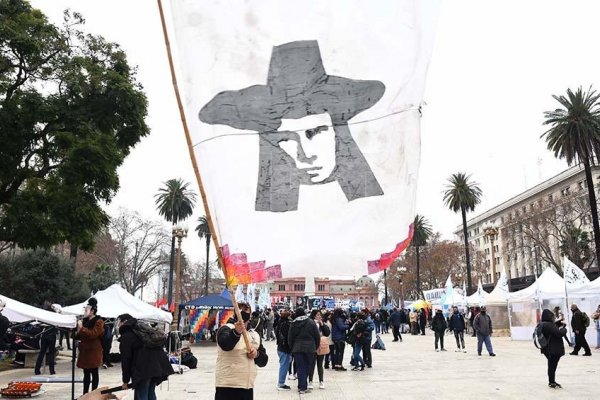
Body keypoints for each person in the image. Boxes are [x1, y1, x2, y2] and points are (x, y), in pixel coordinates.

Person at [199, 40, 385, 213]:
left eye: (313, 132)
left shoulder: (375, 210)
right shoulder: (259, 214)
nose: (304, 156)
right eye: (285, 139)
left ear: (337, 130)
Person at [215, 302, 268, 400]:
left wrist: (256, 354)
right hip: (227, 386)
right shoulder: (226, 329)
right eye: (240, 310)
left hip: (247, 386)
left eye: (246, 310)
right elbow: (225, 345)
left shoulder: (254, 335)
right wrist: (236, 332)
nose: (243, 313)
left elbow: (264, 361)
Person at [116, 314, 174, 399]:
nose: (118, 325)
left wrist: (125, 380)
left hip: (143, 369)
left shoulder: (127, 336)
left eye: (119, 322)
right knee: (150, 392)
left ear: (124, 322)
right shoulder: (142, 329)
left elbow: (126, 360)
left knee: (142, 393)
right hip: (157, 366)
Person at [75, 298, 105, 395]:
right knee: (86, 374)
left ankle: (94, 393)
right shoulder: (84, 321)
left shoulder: (99, 321)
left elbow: (93, 334)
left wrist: (82, 328)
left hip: (94, 351)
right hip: (84, 351)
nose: (85, 311)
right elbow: (77, 336)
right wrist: (78, 330)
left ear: (92, 311)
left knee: (94, 373)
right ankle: (85, 394)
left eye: (86, 310)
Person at [288, 308, 320, 394]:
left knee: (300, 367)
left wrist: (292, 348)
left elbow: (290, 338)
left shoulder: (293, 323)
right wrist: (316, 346)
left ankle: (301, 386)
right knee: (307, 366)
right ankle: (303, 387)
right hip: (310, 348)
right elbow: (317, 336)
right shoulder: (311, 322)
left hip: (297, 348)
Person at [539, 309, 567, 389]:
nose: (553, 318)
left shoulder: (542, 324)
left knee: (551, 365)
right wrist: (563, 328)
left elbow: (552, 329)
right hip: (553, 349)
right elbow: (559, 333)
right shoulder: (549, 325)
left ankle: (551, 381)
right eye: (552, 317)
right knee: (552, 366)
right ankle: (552, 382)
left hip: (546, 348)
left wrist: (558, 323)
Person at [308, 309, 331, 389]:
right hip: (312, 347)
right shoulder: (310, 323)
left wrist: (322, 325)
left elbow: (327, 333)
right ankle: (310, 381)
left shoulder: (322, 323)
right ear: (314, 315)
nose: (319, 316)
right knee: (311, 365)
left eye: (320, 315)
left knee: (320, 365)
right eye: (317, 315)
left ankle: (321, 381)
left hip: (321, 346)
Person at [274, 309, 292, 391]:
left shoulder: (279, 322)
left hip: (281, 347)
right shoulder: (286, 324)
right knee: (284, 366)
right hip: (284, 348)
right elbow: (287, 337)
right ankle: (281, 384)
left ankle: (281, 383)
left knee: (284, 364)